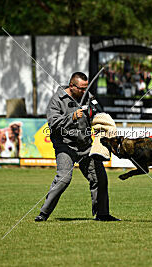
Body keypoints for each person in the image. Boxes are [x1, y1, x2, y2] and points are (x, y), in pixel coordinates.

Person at [35, 72, 120, 222]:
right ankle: (44, 213)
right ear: (71, 86)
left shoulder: (88, 97)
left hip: (85, 146)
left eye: (86, 88)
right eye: (81, 89)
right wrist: (72, 117)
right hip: (65, 146)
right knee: (63, 179)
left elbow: (97, 113)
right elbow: (53, 123)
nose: (84, 92)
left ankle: (102, 214)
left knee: (100, 178)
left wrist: (100, 119)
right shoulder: (57, 100)